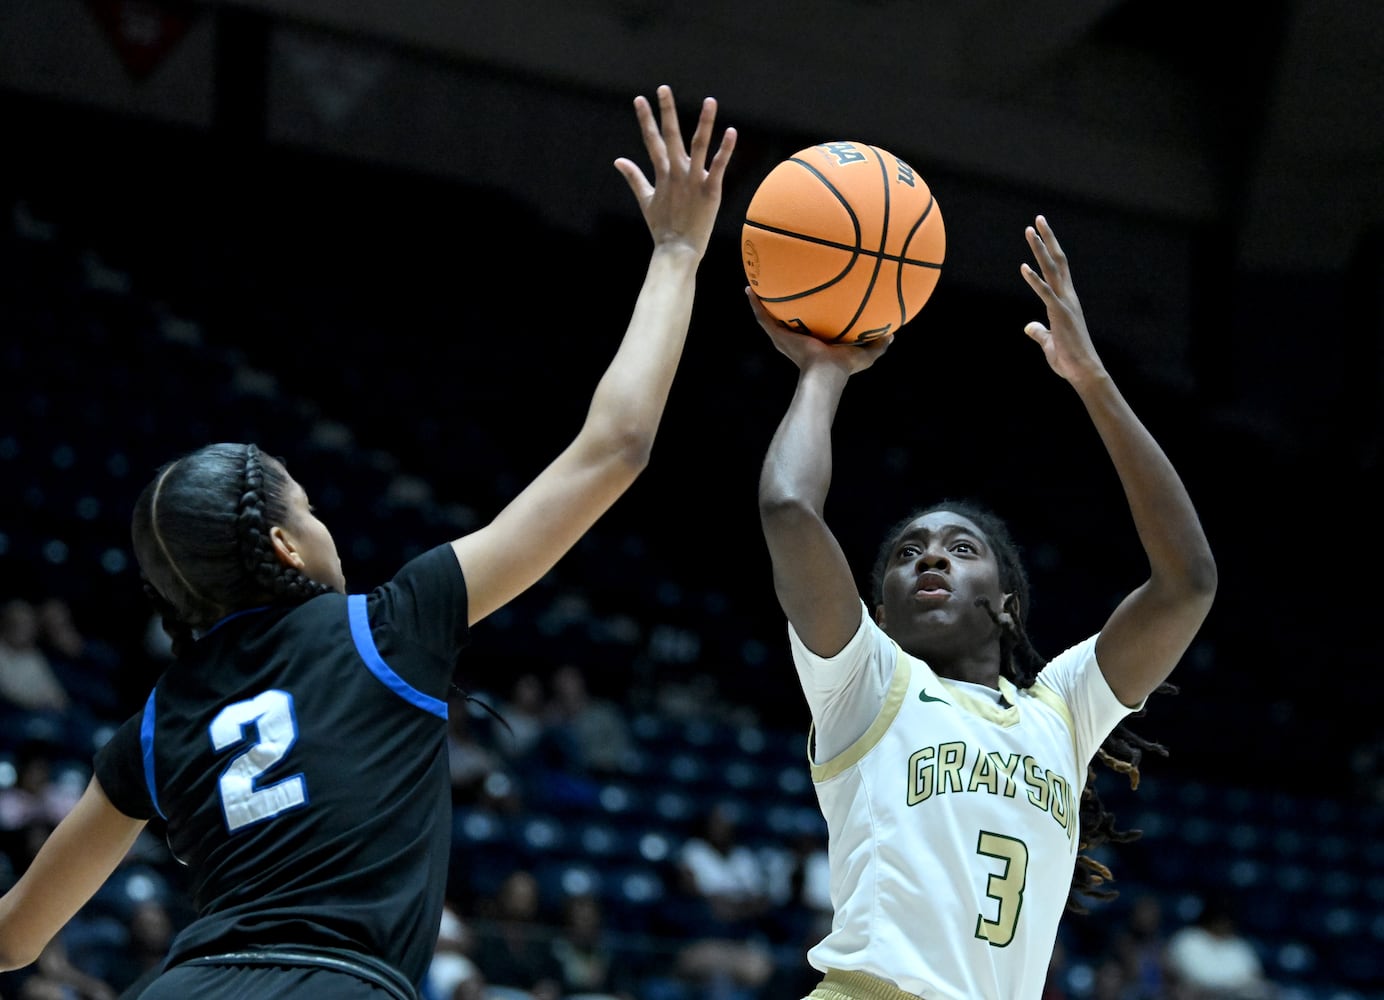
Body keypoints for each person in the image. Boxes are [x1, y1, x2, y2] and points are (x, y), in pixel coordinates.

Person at [0, 84, 736, 1000]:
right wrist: (674, 253)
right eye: (310, 507)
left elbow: (14, 936)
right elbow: (614, 449)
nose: (325, 521)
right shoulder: (384, 627)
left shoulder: (156, 723)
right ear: (285, 546)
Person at [752, 214, 1217, 1000]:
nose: (931, 554)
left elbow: (1188, 582)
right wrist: (824, 370)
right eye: (907, 554)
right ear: (881, 612)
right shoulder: (866, 683)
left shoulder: (1062, 712)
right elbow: (789, 507)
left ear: (1006, 604)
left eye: (962, 550)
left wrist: (1091, 380)